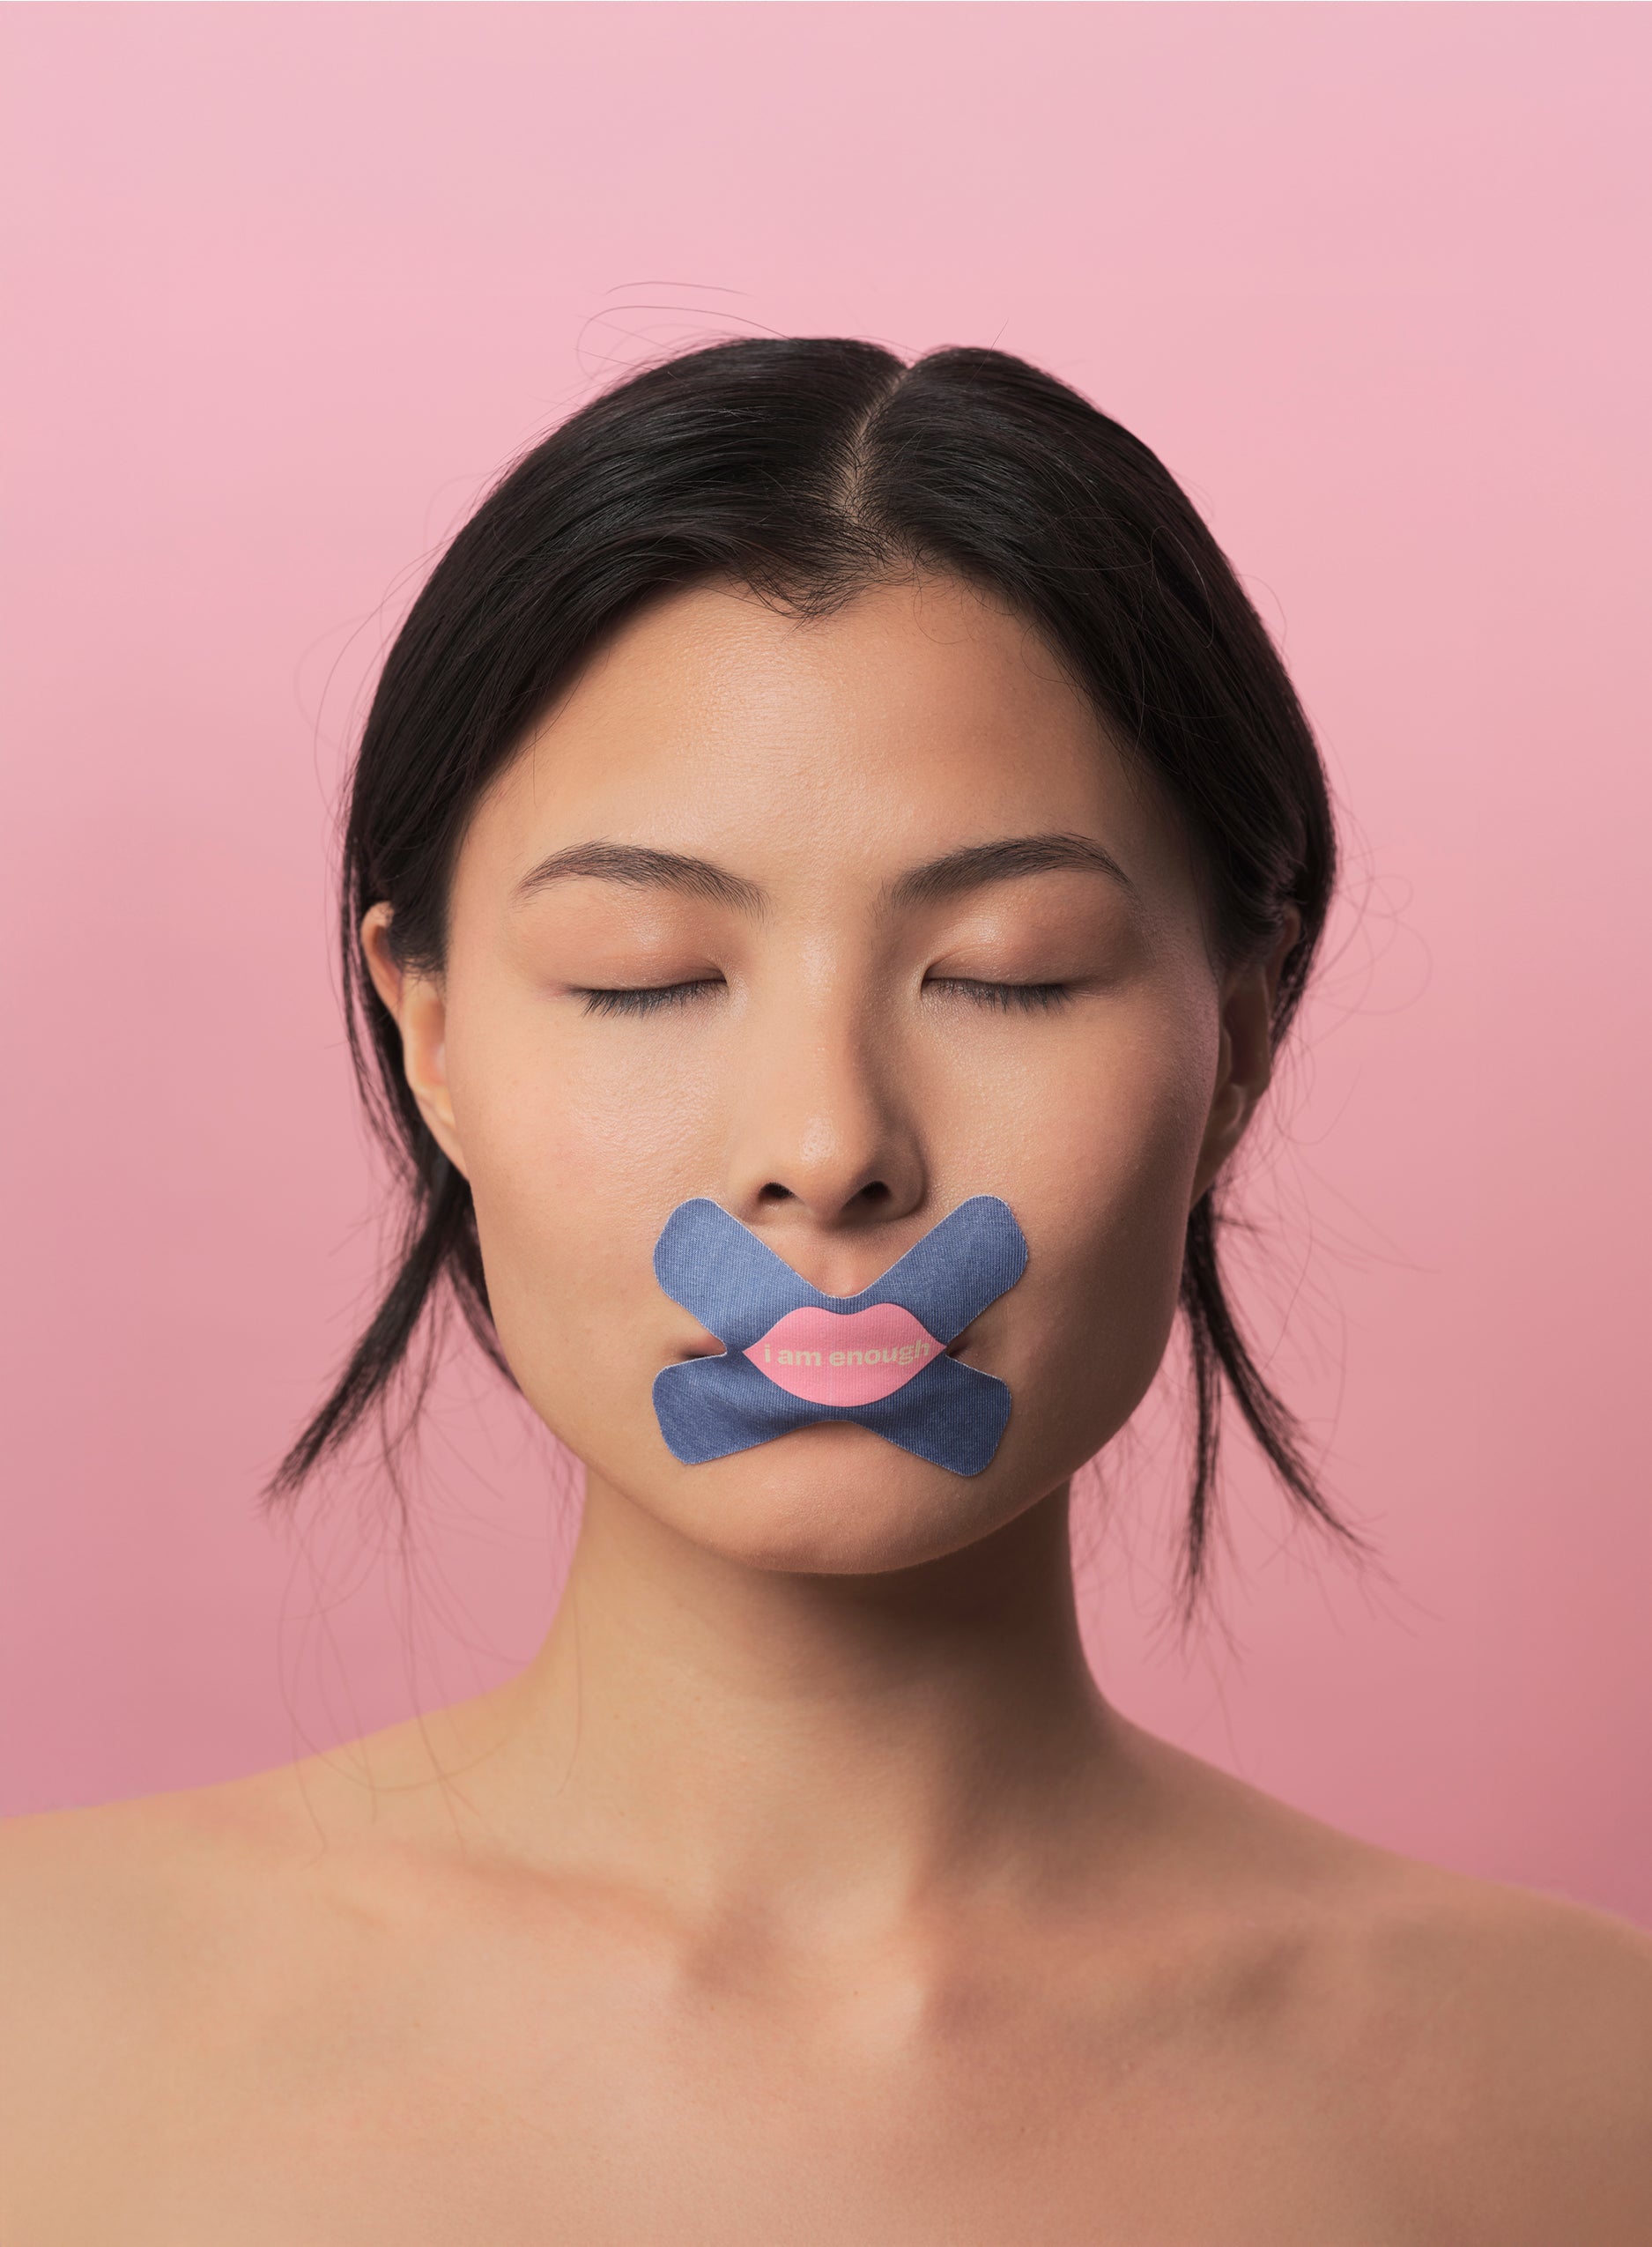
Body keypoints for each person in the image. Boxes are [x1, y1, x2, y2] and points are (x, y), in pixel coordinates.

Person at [2, 337, 1648, 2243]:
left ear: (1240, 1046)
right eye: (642, 973)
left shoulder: (1584, 2092)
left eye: (1009, 971)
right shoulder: (40, 2025)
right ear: (432, 1037)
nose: (825, 1142)